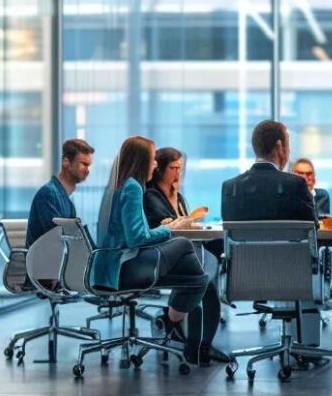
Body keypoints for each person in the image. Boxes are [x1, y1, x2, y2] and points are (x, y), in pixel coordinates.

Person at [91, 136, 220, 366]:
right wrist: (168, 228)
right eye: (152, 160)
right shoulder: (132, 188)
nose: (154, 165)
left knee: (195, 273)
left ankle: (180, 323)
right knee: (186, 251)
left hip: (111, 266)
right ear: (141, 161)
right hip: (125, 266)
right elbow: (137, 238)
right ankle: (184, 329)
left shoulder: (119, 185)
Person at [222, 121, 323, 352]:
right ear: (280, 146)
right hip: (294, 279)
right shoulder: (296, 185)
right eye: (288, 143)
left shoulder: (230, 187)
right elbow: (313, 230)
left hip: (246, 280)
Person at [144, 147, 221, 259]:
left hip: (185, 244)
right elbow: (173, 225)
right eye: (173, 168)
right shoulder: (150, 196)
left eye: (180, 168)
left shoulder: (178, 196)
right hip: (166, 248)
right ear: (159, 170)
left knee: (220, 244)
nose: (178, 173)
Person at [26, 139, 94, 248]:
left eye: (89, 165)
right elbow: (57, 237)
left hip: (56, 260)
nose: (87, 170)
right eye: (83, 164)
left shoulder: (67, 201)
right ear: (66, 162)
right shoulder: (48, 194)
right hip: (44, 261)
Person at [292, 157, 332, 277]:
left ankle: (329, 275)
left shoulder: (322, 195)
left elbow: (320, 219)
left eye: (309, 174)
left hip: (319, 240)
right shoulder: (289, 196)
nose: (305, 177)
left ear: (314, 177)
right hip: (298, 243)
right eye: (300, 173)